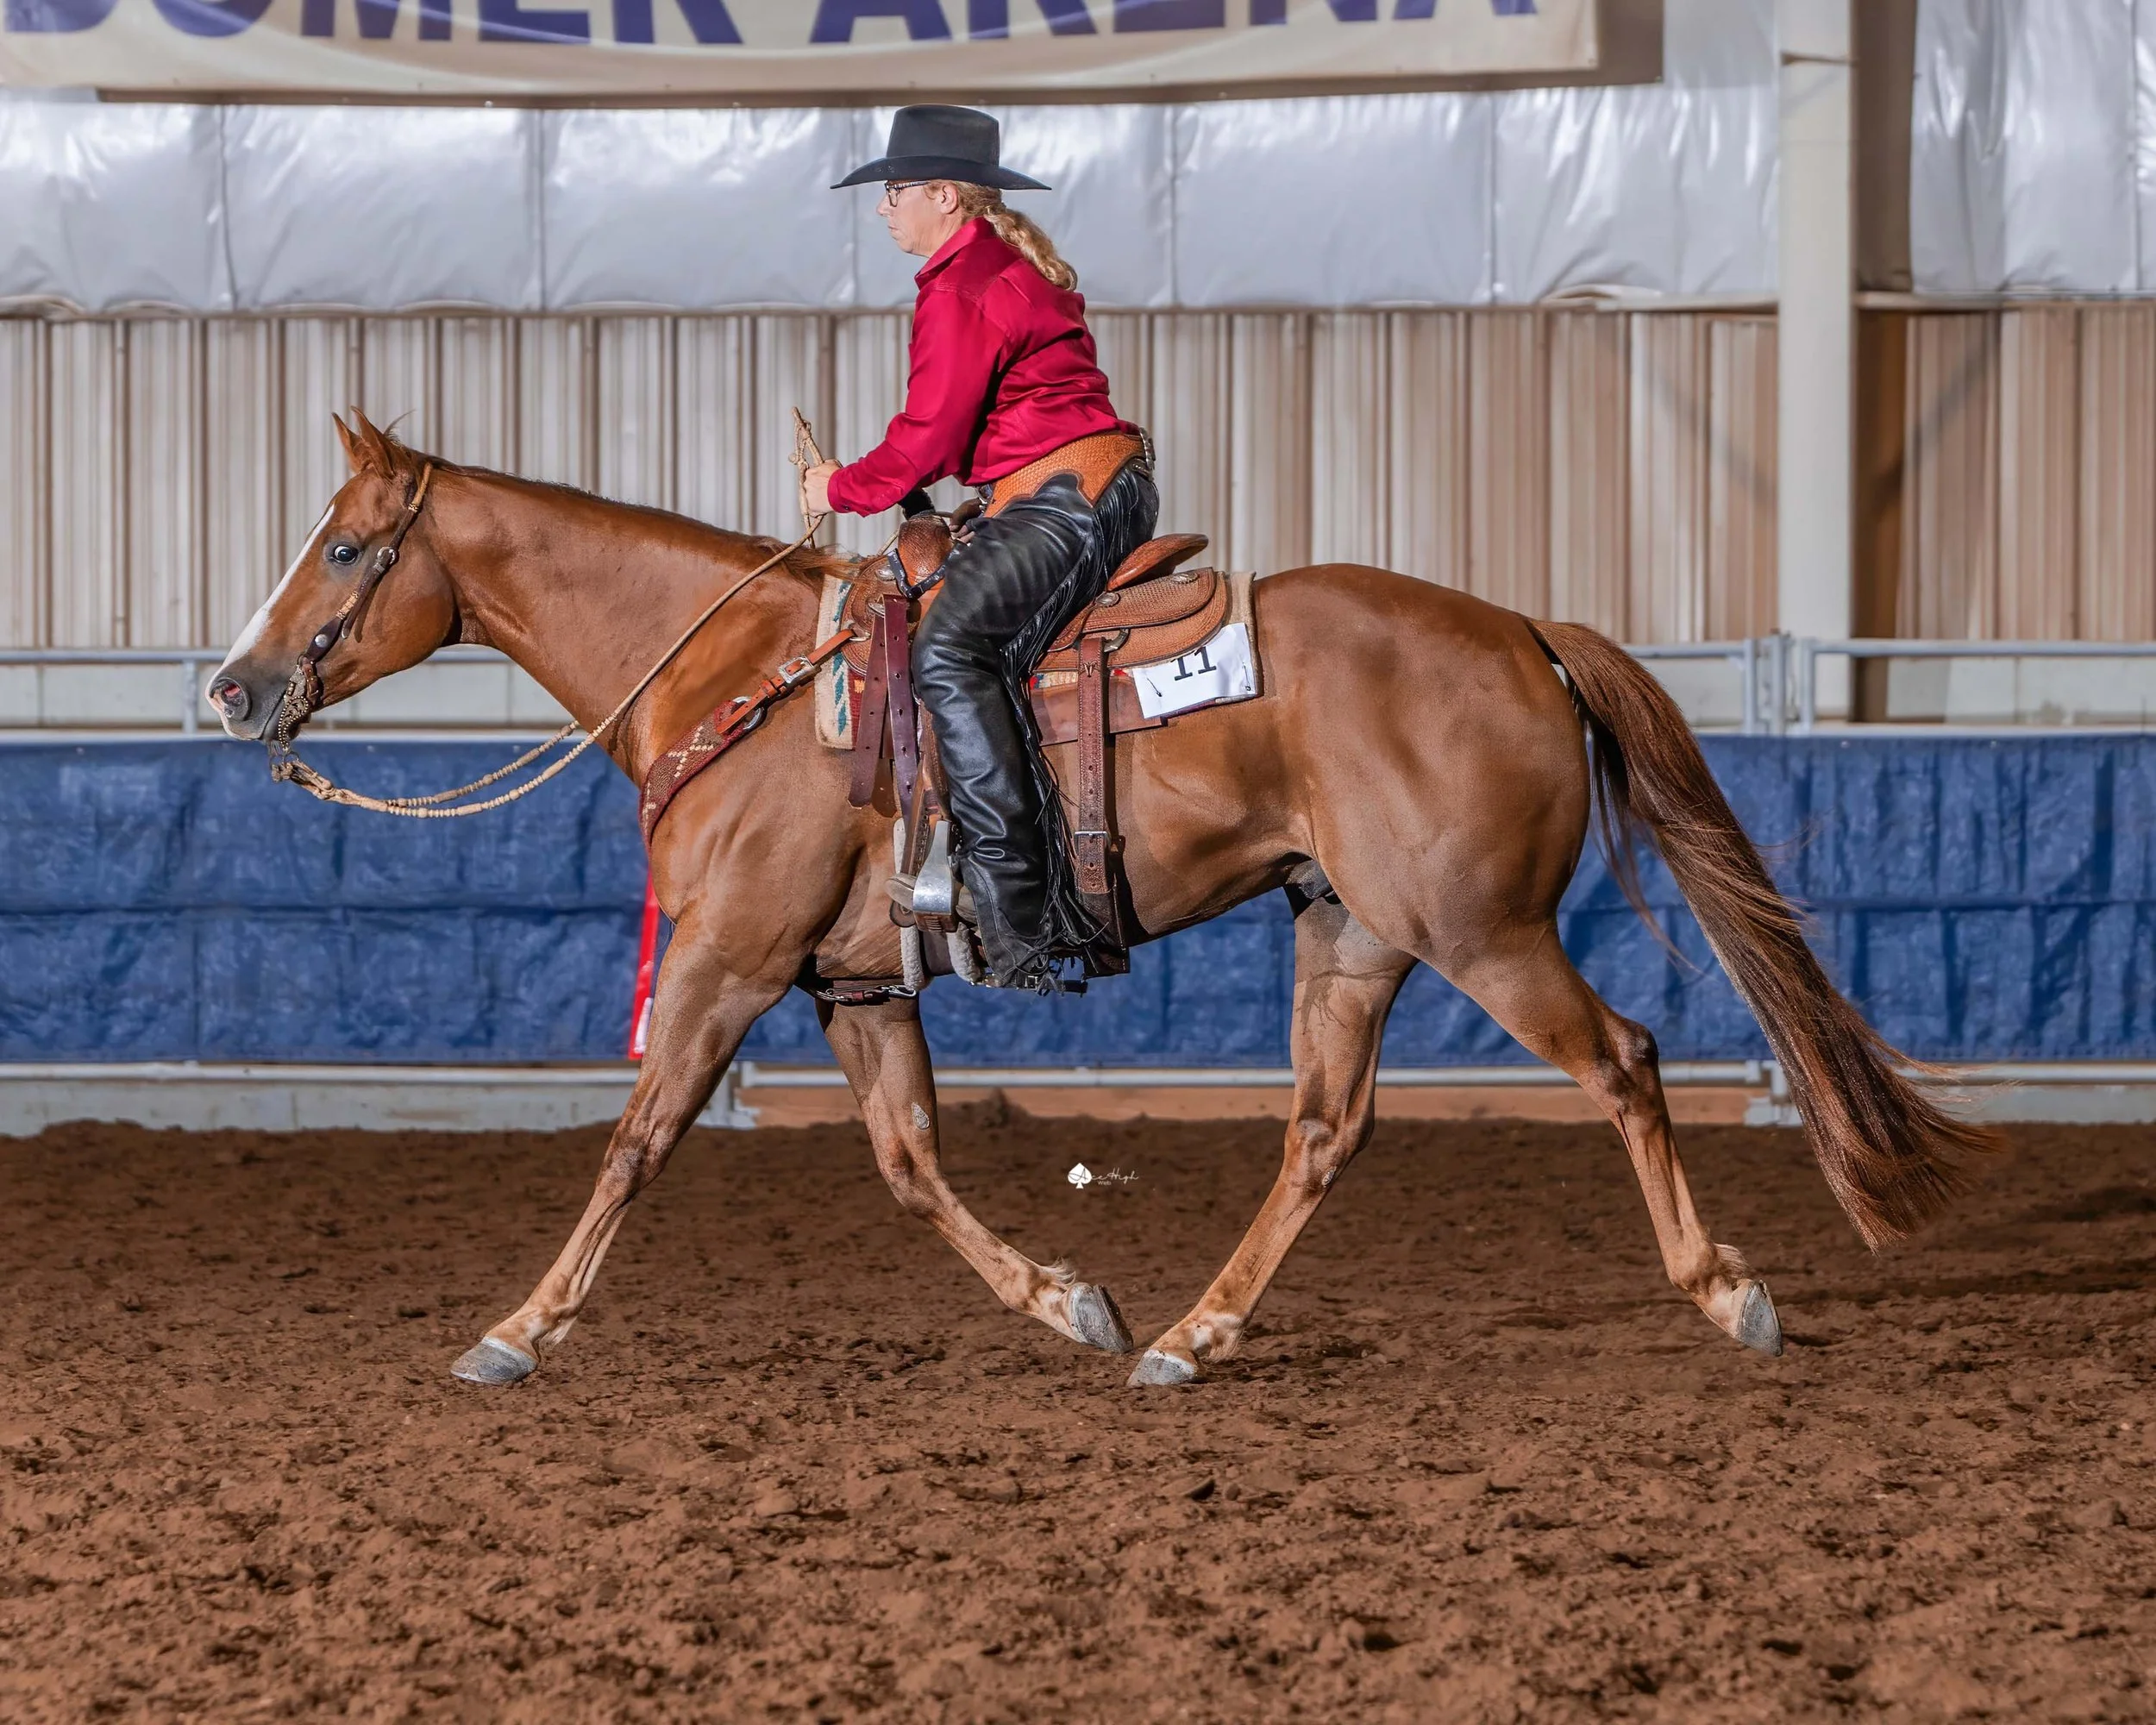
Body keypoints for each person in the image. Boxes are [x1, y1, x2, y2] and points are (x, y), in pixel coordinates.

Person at [803, 105, 1157, 993]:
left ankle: (1018, 910)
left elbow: (923, 438)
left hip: (1062, 501)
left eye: (893, 193)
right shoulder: (987, 272)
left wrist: (838, 489)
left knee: (950, 652)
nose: (883, 209)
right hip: (1067, 490)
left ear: (943, 195)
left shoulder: (963, 287)